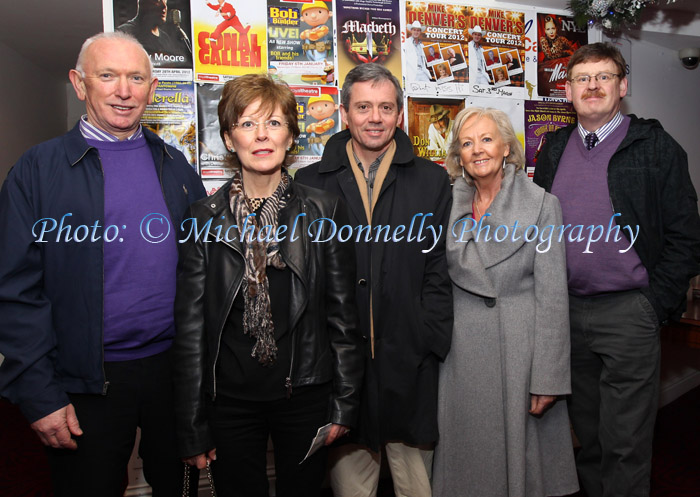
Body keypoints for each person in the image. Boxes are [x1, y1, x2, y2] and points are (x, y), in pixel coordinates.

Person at [0, 32, 206, 497]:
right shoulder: (37, 170)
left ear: (152, 89)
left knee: (180, 488)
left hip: (170, 374)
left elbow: (204, 271)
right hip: (84, 380)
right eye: (108, 76)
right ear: (79, 83)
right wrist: (38, 393)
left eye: (136, 78)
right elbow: (13, 290)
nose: (123, 90)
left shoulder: (176, 167)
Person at [172, 73, 364, 497]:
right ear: (228, 138)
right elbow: (190, 332)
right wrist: (191, 425)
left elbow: (343, 317)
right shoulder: (203, 217)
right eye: (247, 124)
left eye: (274, 123)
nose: (261, 135)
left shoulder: (324, 210)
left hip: (306, 397)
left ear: (291, 135)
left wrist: (345, 403)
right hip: (230, 402)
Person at [534, 42, 700, 497]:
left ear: (622, 86)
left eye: (604, 77)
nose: (593, 86)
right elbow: (537, 227)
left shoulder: (654, 145)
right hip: (567, 312)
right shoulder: (554, 147)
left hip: (629, 313)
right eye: (583, 78)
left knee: (626, 442)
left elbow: (687, 236)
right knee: (587, 437)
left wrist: (653, 303)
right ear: (568, 90)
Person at [295, 63, 453, 497]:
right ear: (345, 112)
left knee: (417, 488)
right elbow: (305, 279)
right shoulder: (309, 183)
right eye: (363, 106)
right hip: (342, 371)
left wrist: (429, 336)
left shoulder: (432, 180)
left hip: (410, 361)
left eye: (386, 107)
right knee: (351, 489)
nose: (375, 118)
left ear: (400, 114)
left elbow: (439, 269)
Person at [432, 107, 578, 497]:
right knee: (466, 470)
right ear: (457, 156)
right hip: (460, 356)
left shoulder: (543, 206)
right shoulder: (445, 204)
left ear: (506, 147)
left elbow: (552, 299)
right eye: (467, 143)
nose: (477, 150)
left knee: (520, 475)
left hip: (520, 356)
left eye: (486, 139)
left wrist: (547, 377)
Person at [117, 0, 191, 64]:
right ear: (143, 4)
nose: (164, 7)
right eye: (158, 1)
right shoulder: (124, 33)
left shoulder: (165, 38)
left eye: (165, 2)